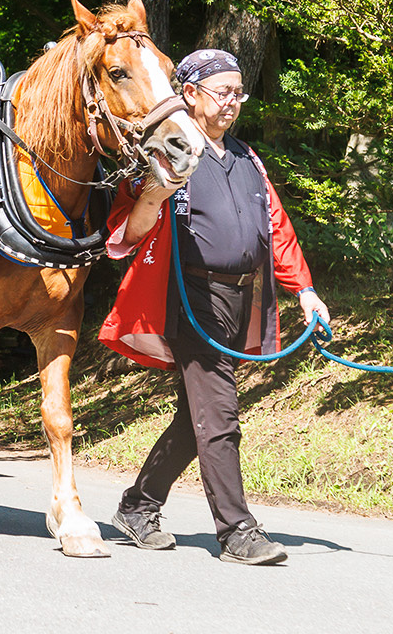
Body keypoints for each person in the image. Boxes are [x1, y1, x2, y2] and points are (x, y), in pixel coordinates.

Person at [96, 48, 331, 566]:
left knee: (196, 417)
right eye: (222, 91)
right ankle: (237, 531)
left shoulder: (248, 159)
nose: (232, 102)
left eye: (238, 93)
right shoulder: (163, 154)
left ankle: (138, 506)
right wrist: (156, 193)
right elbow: (126, 235)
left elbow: (277, 229)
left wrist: (305, 292)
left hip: (238, 297)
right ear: (190, 94)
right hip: (187, 299)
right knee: (220, 414)